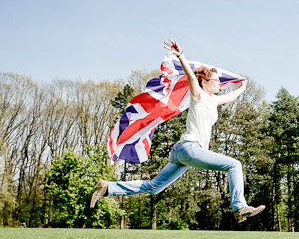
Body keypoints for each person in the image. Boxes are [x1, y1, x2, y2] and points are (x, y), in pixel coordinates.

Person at [90, 39, 265, 223]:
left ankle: (108, 188)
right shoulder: (198, 95)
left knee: (154, 187)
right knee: (234, 164)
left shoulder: (213, 101)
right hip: (190, 148)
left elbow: (229, 97)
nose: (220, 83)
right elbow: (191, 77)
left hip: (182, 152)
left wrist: (243, 87)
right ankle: (239, 207)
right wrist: (181, 55)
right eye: (216, 80)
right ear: (205, 82)